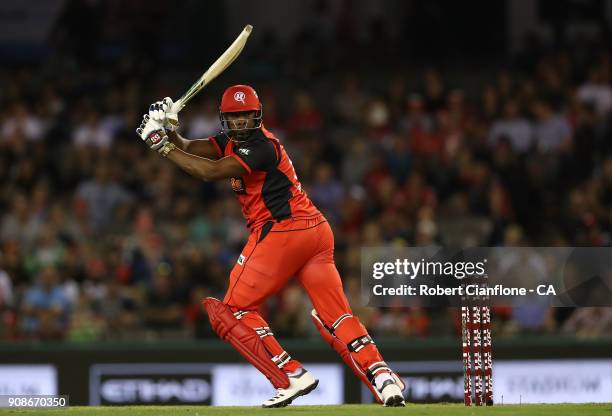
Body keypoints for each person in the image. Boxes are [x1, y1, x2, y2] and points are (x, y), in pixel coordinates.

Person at [136, 85, 405, 407]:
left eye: (246, 116)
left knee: (233, 310)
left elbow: (209, 172)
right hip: (316, 232)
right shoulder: (232, 141)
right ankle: (383, 377)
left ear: (257, 115)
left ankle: (291, 374)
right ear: (226, 120)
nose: (240, 124)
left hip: (283, 230)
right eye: (234, 118)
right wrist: (169, 130)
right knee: (335, 315)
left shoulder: (261, 146)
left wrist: (159, 145)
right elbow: (192, 148)